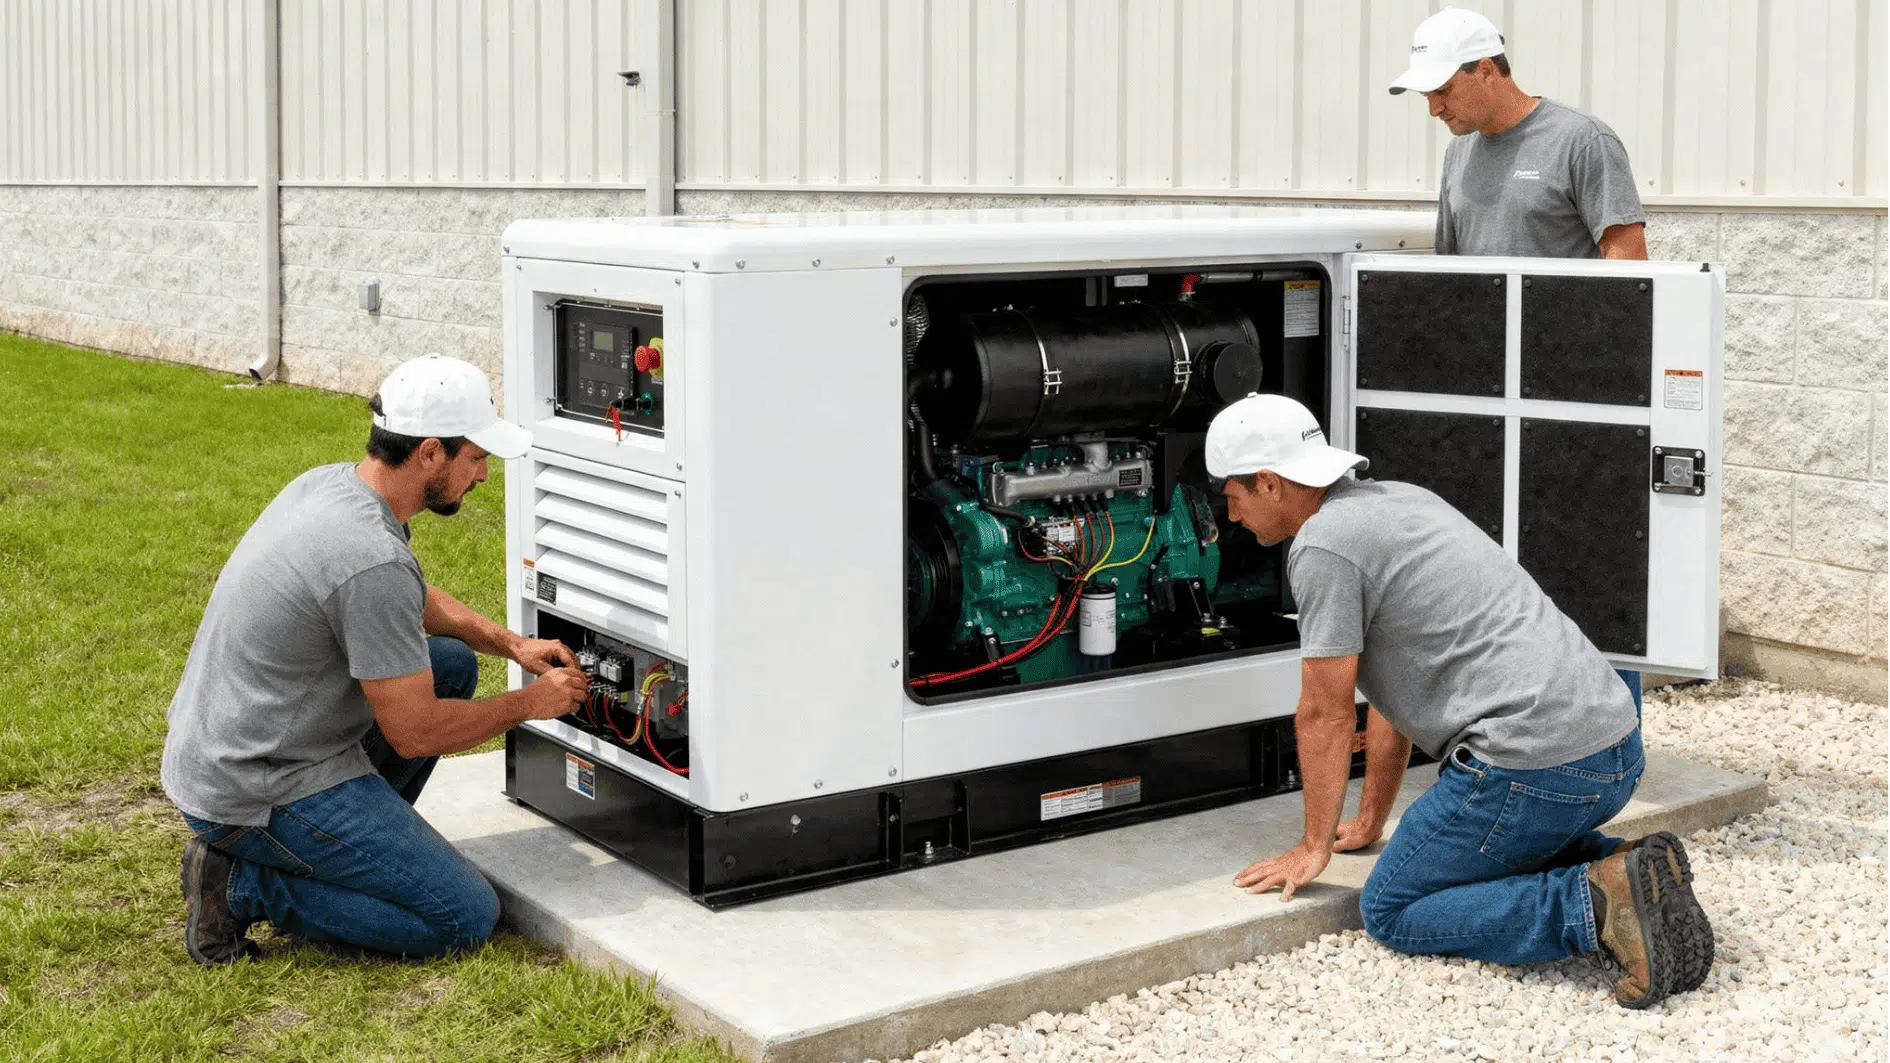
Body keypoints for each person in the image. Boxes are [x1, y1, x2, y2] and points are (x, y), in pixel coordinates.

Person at [1209, 393, 1713, 1010]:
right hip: (1614, 750)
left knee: (1394, 906)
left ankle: (1592, 903)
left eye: (1232, 499)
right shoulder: (1400, 501)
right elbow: (1396, 692)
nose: (1231, 517)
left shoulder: (1325, 548)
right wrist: (1369, 821)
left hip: (1536, 771)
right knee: (1467, 856)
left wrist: (1313, 847)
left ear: (1269, 482)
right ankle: (1631, 869)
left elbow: (1326, 713)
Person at [162, 353, 589, 966]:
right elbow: (416, 733)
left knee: (448, 664)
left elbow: (404, 600)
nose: (484, 476)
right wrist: (531, 703)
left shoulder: (332, 485)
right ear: (431, 454)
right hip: (253, 786)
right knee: (462, 916)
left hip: (225, 749)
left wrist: (511, 644)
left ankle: (352, 856)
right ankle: (240, 884)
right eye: (476, 458)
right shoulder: (370, 556)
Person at [1390, 5, 1649, 709]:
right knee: (1491, 579)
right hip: (1485, 412)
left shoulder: (1581, 141)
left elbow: (1628, 271)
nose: (1434, 109)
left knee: (1583, 572)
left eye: (1442, 90)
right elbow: (1453, 283)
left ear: (1486, 68)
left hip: (1569, 411)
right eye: (1426, 97)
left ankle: (1606, 735)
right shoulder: (1457, 155)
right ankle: (1515, 727)